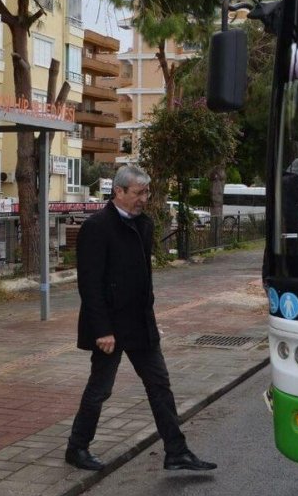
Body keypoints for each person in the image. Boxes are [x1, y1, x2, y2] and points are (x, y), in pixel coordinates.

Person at [66, 165, 217, 472]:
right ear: (118, 191)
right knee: (100, 389)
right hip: (110, 327)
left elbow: (143, 277)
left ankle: (176, 451)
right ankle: (77, 447)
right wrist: (102, 329)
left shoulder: (144, 224)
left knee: (159, 385)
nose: (144, 199)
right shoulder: (97, 227)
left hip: (140, 323)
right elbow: (89, 284)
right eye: (138, 193)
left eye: (146, 192)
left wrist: (150, 313)